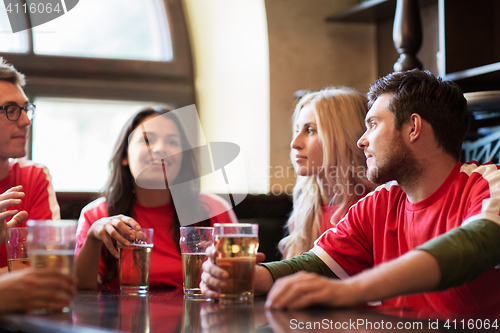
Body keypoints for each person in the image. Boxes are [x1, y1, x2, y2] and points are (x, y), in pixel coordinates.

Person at [201, 69, 500, 315]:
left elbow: (472, 245)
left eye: (372, 125)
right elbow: (316, 263)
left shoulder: (487, 184)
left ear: (413, 128)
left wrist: (349, 290)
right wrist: (251, 277)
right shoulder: (380, 202)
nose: (362, 141)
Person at [75, 107, 238, 290]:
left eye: (172, 142)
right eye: (147, 140)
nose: (160, 149)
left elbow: (239, 278)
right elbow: (80, 292)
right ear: (124, 157)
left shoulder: (215, 209)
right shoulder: (96, 214)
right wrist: (93, 238)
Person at [280, 87, 373, 259]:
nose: (295, 143)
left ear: (344, 138)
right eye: (297, 130)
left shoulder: (371, 207)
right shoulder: (306, 207)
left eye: (310, 130)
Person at [0, 57, 60, 270]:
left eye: (26, 108)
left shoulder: (33, 177)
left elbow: (48, 269)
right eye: (10, 109)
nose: (26, 121)